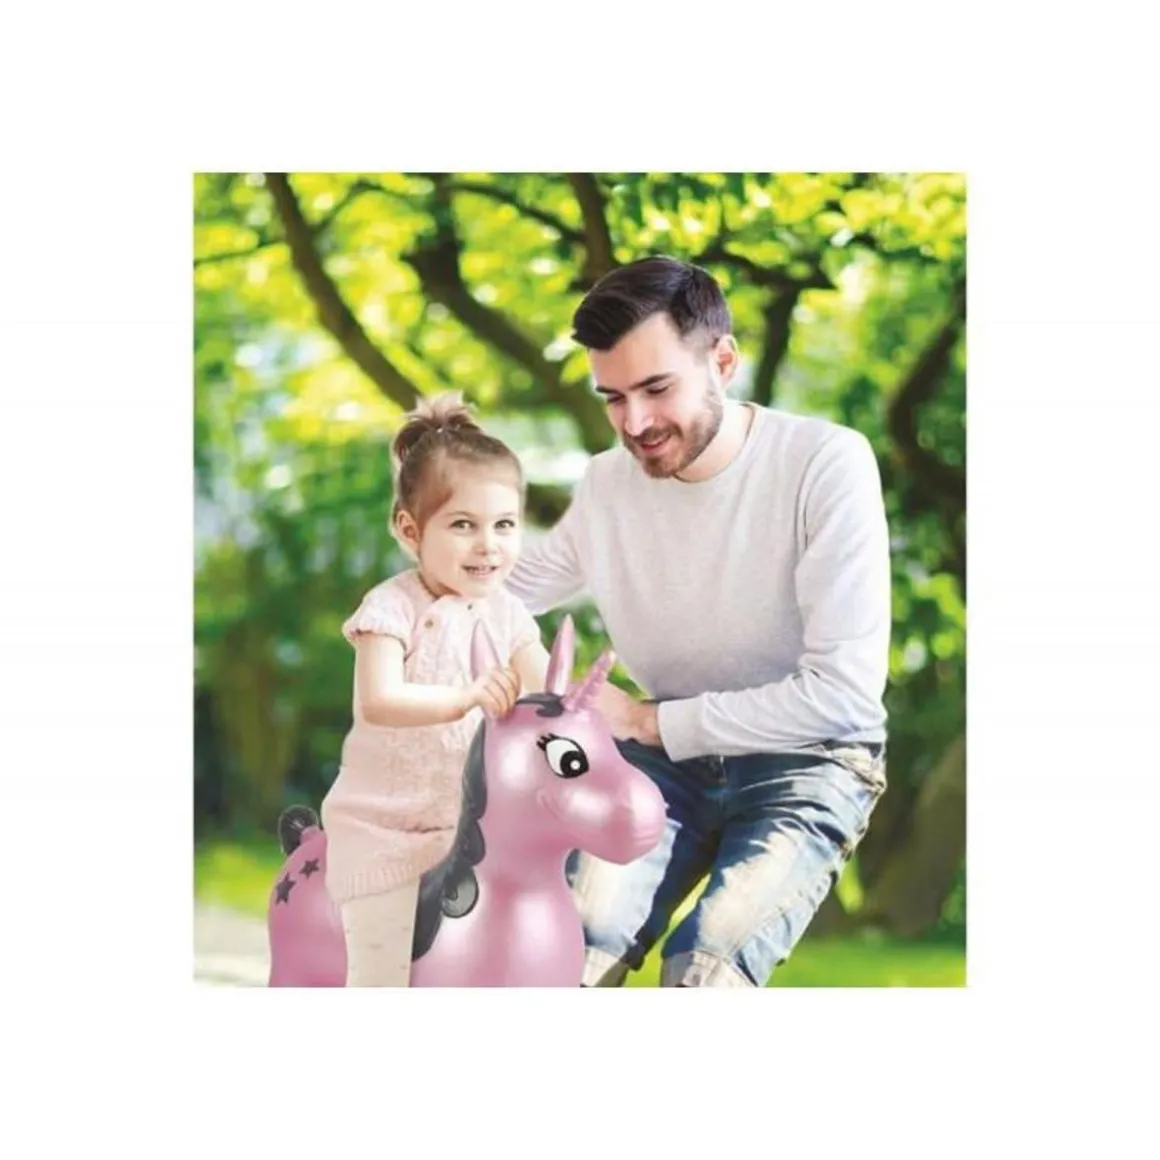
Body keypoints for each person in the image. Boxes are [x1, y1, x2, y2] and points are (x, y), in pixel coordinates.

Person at [505, 256, 892, 988]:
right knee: (567, 949)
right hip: (666, 767)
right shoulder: (608, 485)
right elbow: (497, 595)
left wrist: (644, 720)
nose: (635, 423)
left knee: (705, 965)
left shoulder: (825, 463)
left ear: (723, 361)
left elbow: (844, 696)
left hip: (808, 762)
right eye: (613, 398)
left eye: (657, 389)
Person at [321, 391, 551, 986]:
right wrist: (465, 697)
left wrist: (592, 711)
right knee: (385, 971)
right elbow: (380, 700)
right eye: (463, 525)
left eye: (504, 525)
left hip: (475, 833)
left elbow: (551, 690)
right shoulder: (391, 608)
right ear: (410, 528)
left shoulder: (507, 614)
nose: (488, 545)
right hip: (386, 831)